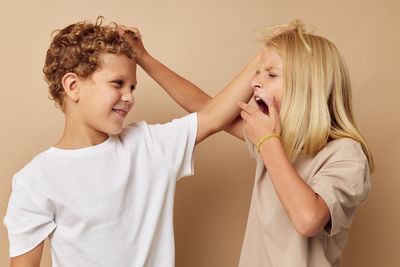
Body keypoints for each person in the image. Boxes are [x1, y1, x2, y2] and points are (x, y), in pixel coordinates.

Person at [3, 17, 258, 267]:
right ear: (72, 86)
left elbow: (213, 116)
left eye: (132, 87)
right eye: (118, 83)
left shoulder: (148, 145)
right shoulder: (35, 180)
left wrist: (261, 60)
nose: (129, 97)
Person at [127, 20, 374, 267]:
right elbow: (207, 110)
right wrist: (144, 58)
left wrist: (268, 142)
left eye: (272, 74)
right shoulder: (279, 140)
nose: (255, 83)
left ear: (307, 86)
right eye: (258, 73)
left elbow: (308, 220)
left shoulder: (345, 154)